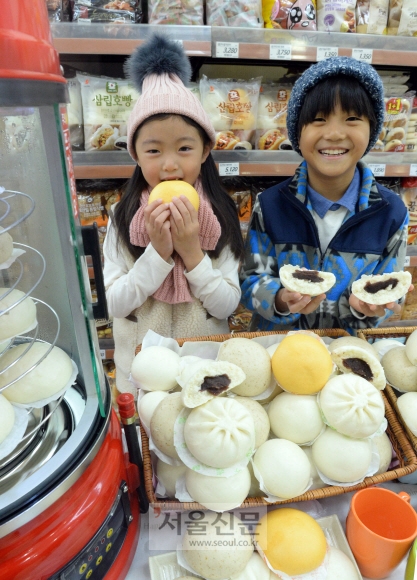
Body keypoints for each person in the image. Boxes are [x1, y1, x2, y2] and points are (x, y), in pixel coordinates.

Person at [103, 34, 244, 395]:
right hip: (139, 375)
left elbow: (228, 304)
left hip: (204, 366)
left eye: (184, 148)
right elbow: (114, 302)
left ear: (205, 150)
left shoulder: (222, 214)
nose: (169, 165)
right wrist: (158, 253)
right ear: (135, 154)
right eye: (153, 150)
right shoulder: (123, 216)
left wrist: (192, 251)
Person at [240, 57, 412, 333]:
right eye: (318, 119)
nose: (334, 134)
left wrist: (363, 307)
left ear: (372, 128)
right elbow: (251, 281)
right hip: (277, 351)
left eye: (353, 119)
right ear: (298, 131)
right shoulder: (270, 205)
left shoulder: (391, 212)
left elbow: (389, 292)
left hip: (345, 354)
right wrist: (281, 300)